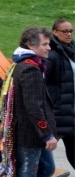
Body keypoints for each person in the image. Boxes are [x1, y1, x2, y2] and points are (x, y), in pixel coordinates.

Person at [0, 27, 59, 177]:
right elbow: (34, 107)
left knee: (47, 168)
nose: (49, 48)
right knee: (28, 171)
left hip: (31, 132)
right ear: (31, 45)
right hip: (30, 133)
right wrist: (46, 134)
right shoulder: (31, 69)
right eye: (45, 44)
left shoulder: (22, 63)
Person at [47, 18, 74, 168]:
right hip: (56, 112)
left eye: (71, 31)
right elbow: (43, 82)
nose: (69, 34)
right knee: (43, 151)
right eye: (65, 31)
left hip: (71, 111)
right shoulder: (52, 54)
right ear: (55, 32)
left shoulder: (72, 50)